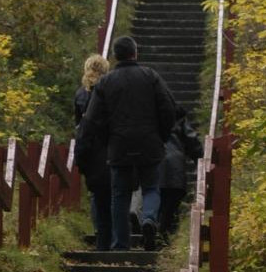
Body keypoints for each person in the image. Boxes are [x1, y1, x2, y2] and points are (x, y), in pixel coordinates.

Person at [79, 36, 176, 251]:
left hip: (118, 145)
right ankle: (149, 219)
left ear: (115, 57)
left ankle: (120, 245)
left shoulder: (105, 82)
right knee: (151, 187)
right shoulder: (150, 76)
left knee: (119, 195)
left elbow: (92, 120)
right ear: (135, 53)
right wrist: (161, 135)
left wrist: (106, 140)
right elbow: (168, 109)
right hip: (149, 143)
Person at [73, 54, 111, 250]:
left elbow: (77, 125)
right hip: (108, 147)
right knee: (115, 192)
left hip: (89, 149)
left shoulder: (81, 94)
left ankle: (100, 234)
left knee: (96, 195)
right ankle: (116, 238)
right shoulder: (109, 92)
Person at [158, 106, 203, 239]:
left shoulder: (150, 120)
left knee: (155, 200)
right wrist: (200, 159)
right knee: (171, 204)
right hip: (175, 168)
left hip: (155, 164)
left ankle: (154, 229)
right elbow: (193, 143)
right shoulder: (179, 121)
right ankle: (163, 234)